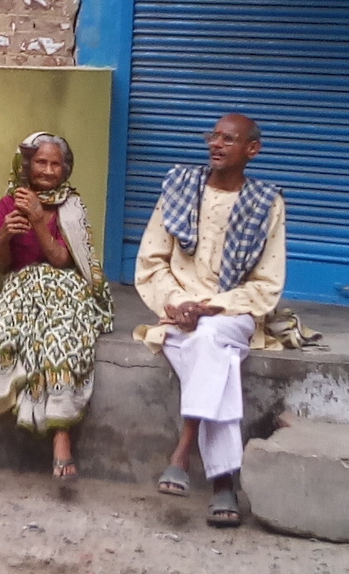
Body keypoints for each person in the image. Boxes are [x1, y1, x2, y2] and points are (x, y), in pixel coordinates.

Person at [134, 113, 286, 526]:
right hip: (178, 314)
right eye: (213, 137)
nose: (216, 145)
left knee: (212, 334)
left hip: (231, 313)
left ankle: (182, 450)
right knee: (212, 349)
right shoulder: (179, 189)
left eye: (229, 139)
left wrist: (212, 307)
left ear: (251, 150)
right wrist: (179, 302)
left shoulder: (266, 203)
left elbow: (267, 285)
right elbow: (151, 262)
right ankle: (223, 484)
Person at [0, 132, 114, 480]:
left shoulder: (71, 207)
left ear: (65, 169)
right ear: (27, 165)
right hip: (22, 285)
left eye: (55, 163)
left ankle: (61, 441)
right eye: (40, 162)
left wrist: (39, 220)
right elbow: (2, 265)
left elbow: (60, 259)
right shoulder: (4, 206)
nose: (47, 170)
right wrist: (6, 237)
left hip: (64, 285)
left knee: (61, 342)